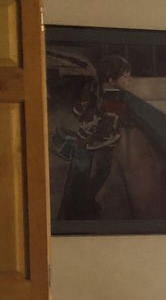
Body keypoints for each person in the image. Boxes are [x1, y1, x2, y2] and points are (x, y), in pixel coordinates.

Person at [58, 54, 136, 219]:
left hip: (104, 144)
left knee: (97, 172)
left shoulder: (123, 96)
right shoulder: (94, 93)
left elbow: (123, 117)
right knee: (85, 173)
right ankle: (79, 205)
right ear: (111, 80)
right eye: (126, 77)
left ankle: (85, 200)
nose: (131, 80)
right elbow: (77, 112)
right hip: (89, 143)